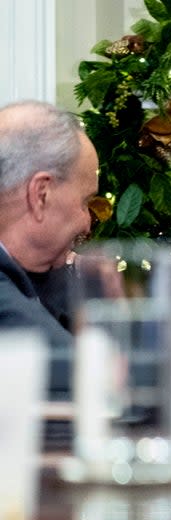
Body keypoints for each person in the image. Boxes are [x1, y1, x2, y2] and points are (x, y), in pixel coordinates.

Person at [0, 100, 99, 396]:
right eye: (85, 202)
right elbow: (86, 377)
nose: (88, 224)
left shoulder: (33, 269)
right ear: (40, 194)